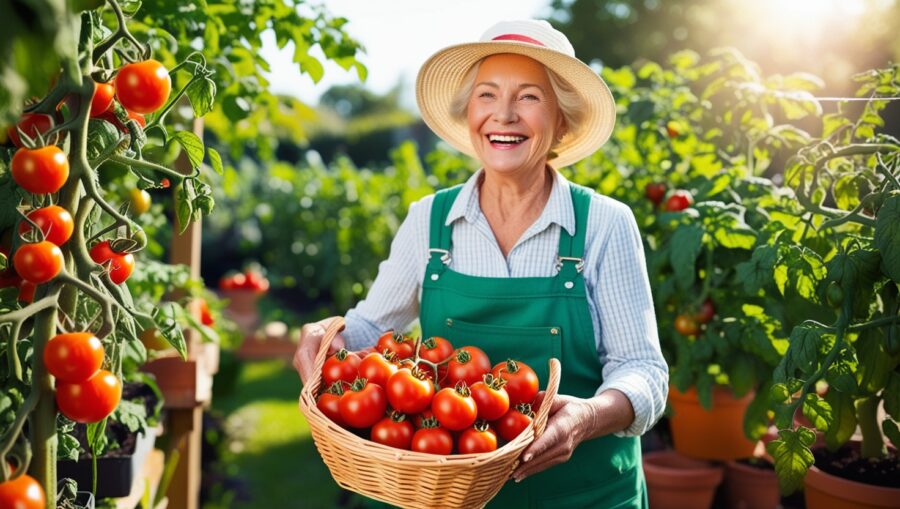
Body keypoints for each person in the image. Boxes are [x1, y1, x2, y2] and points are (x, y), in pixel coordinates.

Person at [294, 19, 668, 508]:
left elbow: (643, 370)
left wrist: (590, 417)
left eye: (529, 97)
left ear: (562, 120)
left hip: (583, 492)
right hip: (452, 497)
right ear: (468, 113)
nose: (504, 115)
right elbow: (369, 328)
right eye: (486, 95)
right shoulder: (429, 222)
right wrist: (329, 336)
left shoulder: (603, 224)